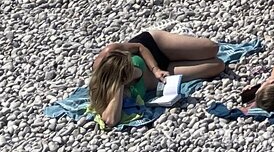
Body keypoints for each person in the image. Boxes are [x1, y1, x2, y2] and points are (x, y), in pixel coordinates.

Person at [87, 31, 230, 131]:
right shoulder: (113, 90)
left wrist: (155, 69)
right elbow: (110, 120)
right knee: (218, 65)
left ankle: (181, 51)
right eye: (130, 71)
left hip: (154, 47)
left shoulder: (111, 53)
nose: (133, 70)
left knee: (212, 48)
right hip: (166, 73)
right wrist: (118, 87)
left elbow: (139, 47)